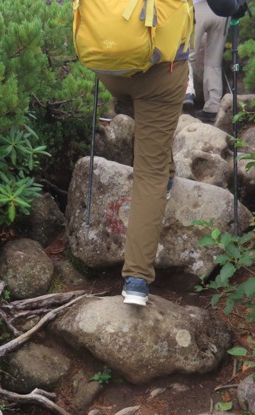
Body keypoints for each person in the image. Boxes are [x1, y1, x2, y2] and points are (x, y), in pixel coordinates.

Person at [96, 35, 191, 306]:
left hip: (109, 63)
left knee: (152, 134)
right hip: (160, 71)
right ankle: (137, 278)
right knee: (151, 173)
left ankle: (168, 170)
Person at [190, 0, 228, 123]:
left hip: (197, 7)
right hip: (223, 9)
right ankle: (213, 107)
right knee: (214, 61)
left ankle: (187, 93)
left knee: (186, 56)